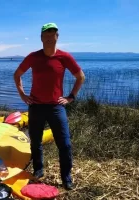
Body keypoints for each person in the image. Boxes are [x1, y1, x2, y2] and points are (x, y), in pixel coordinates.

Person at [13, 22, 85, 190]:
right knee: (35, 142)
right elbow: (17, 75)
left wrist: (71, 97)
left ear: (57, 37)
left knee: (65, 144)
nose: (49, 37)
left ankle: (66, 177)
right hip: (36, 107)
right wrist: (22, 95)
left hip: (56, 107)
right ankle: (38, 169)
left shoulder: (64, 57)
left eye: (52, 34)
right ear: (41, 38)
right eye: (46, 34)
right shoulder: (33, 56)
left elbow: (80, 76)